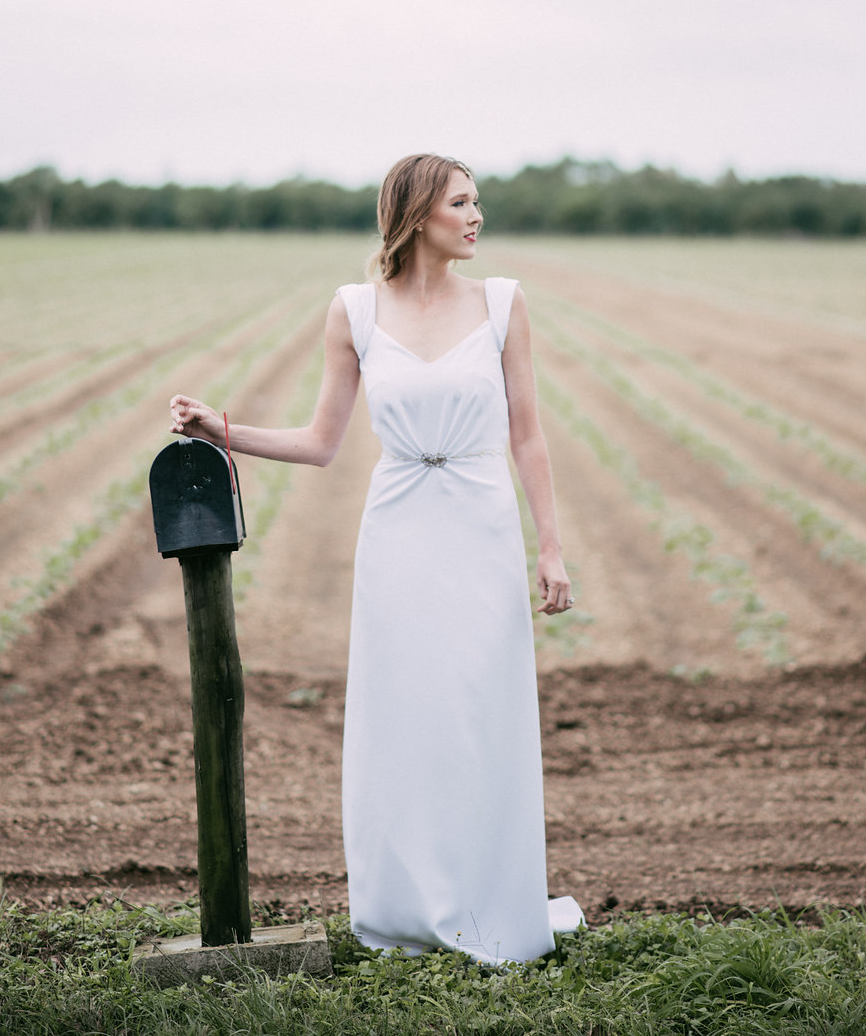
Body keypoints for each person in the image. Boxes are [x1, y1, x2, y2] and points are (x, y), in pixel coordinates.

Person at [169, 153, 583, 963]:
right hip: (396, 531)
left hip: (481, 524)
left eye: (477, 201)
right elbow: (322, 442)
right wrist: (221, 430)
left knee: (477, 712)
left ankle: (489, 905)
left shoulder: (503, 303)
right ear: (419, 213)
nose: (478, 216)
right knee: (405, 718)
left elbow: (527, 435)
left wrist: (552, 549)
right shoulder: (354, 310)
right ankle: (404, 912)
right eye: (462, 202)